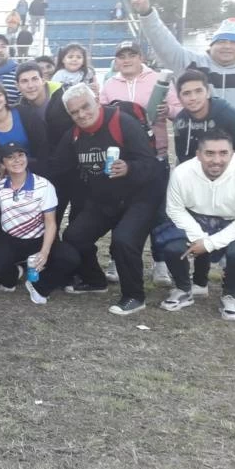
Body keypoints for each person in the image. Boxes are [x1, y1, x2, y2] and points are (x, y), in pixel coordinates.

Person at [132, 0, 235, 211]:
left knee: (232, 222)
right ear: (211, 44)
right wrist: (147, 13)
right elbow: (164, 43)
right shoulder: (191, 63)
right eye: (221, 41)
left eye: (234, 42)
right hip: (196, 161)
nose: (227, 46)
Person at [52, 84, 166, 315]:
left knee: (124, 240)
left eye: (85, 107)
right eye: (75, 112)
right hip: (104, 198)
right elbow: (56, 166)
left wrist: (129, 168)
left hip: (139, 196)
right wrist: (17, 170)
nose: (82, 115)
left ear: (96, 100)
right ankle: (95, 280)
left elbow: (151, 166)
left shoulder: (122, 122)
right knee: (74, 235)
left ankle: (134, 296)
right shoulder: (74, 134)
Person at [160, 129, 235, 320]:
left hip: (231, 221)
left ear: (232, 153)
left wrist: (208, 244)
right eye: (209, 153)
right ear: (198, 154)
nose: (217, 160)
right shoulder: (181, 173)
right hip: (193, 218)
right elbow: (175, 209)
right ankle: (183, 289)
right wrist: (199, 236)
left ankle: (231, 293)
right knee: (172, 247)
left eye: (223, 153)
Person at [0, 142, 79, 304]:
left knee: (70, 258)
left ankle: (39, 285)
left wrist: (45, 252)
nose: (17, 160)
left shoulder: (43, 185)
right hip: (11, 239)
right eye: (10, 157)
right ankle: (15, 274)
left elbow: (50, 223)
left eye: (20, 155)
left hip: (39, 238)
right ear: (2, 164)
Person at [171, 69, 235, 172]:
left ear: (208, 92)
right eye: (186, 93)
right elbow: (182, 156)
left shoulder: (233, 117)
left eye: (198, 91)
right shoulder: (180, 121)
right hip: (196, 182)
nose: (193, 98)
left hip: (229, 180)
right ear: (179, 98)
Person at [13, 61, 62, 127]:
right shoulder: (20, 107)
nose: (30, 85)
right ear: (17, 86)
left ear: (43, 80)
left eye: (35, 79)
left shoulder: (62, 94)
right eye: (24, 81)